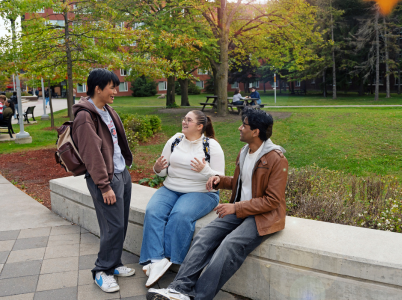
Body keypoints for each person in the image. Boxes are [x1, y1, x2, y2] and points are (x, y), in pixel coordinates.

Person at [147, 108, 288, 300]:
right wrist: (218, 180)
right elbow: (242, 182)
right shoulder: (245, 151)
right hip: (241, 210)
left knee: (230, 245)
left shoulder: (276, 159)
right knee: (204, 236)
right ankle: (179, 289)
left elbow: (272, 201)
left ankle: (199, 296)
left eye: (244, 125)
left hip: (263, 216)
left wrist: (236, 207)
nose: (239, 128)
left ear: (255, 132)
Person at [140, 110, 225, 288]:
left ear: (200, 126)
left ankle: (171, 258)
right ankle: (156, 260)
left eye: (189, 120)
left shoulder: (211, 146)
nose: (184, 122)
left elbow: (220, 179)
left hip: (201, 192)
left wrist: (205, 171)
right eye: (184, 119)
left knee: (180, 215)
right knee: (153, 211)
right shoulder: (175, 140)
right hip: (171, 188)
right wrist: (157, 168)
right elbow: (162, 170)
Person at [72, 68, 135, 293]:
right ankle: (102, 271)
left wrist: (124, 169)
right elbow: (92, 155)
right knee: (112, 226)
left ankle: (115, 263)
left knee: (121, 223)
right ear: (97, 88)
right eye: (111, 87)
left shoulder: (107, 110)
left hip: (121, 174)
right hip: (106, 179)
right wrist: (104, 185)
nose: (115, 91)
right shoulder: (84, 117)